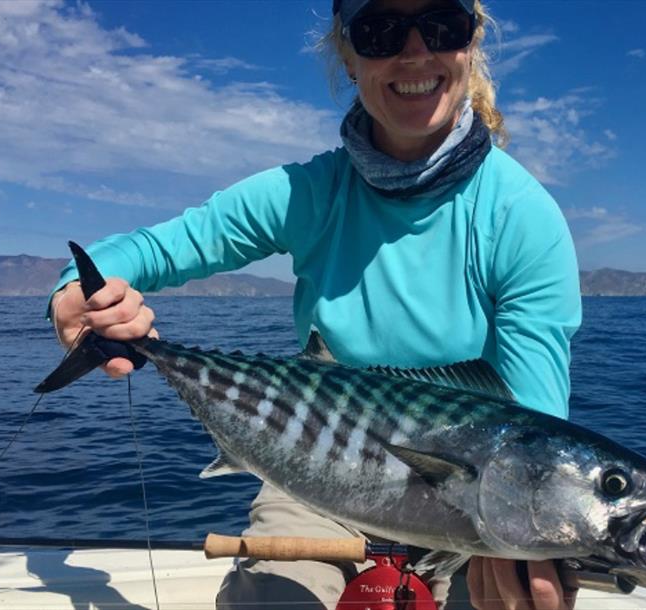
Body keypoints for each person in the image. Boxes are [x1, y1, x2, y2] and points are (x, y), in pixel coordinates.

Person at [49, 0, 582, 608]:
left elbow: (537, 427)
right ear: (349, 58)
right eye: (380, 32)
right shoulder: (310, 193)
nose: (415, 52)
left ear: (470, 44)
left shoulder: (519, 214)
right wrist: (75, 291)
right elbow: (152, 249)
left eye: (441, 27)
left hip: (471, 505)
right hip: (313, 478)